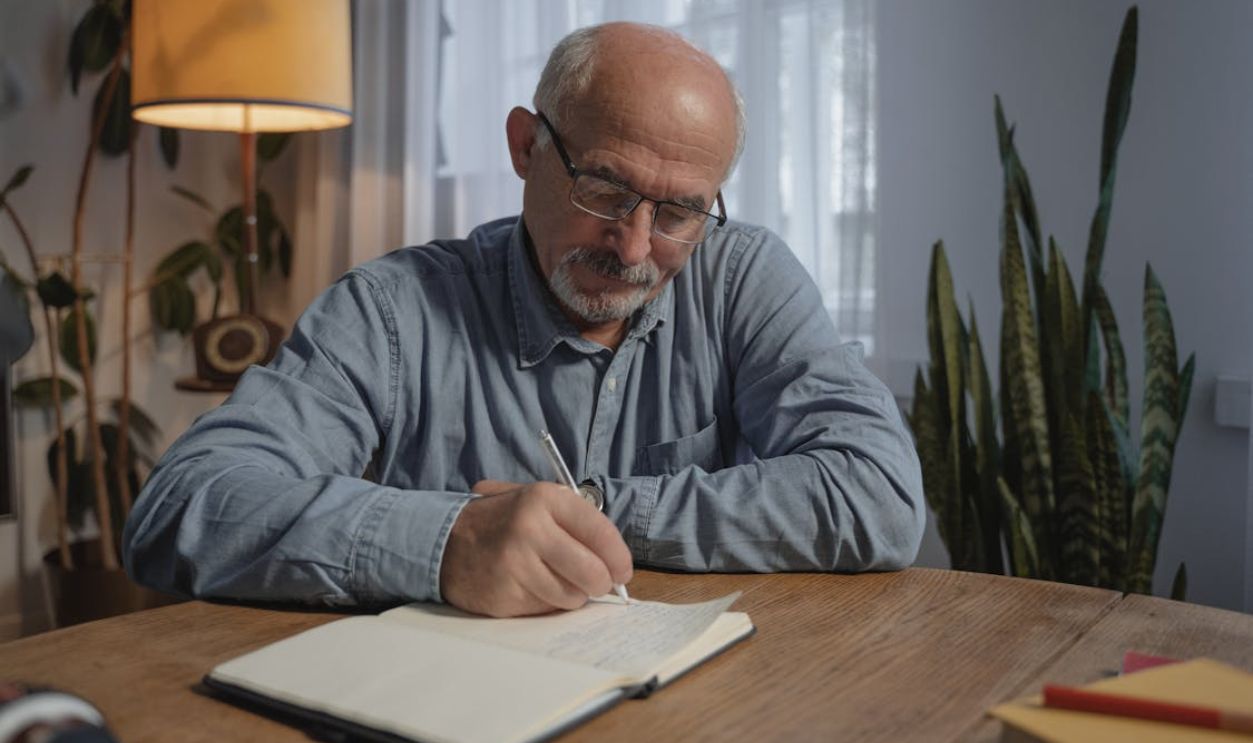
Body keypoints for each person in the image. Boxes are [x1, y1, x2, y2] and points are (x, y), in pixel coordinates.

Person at [123, 22, 925, 618]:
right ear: (524, 145)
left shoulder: (739, 273)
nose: (635, 245)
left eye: (679, 209)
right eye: (604, 190)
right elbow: (183, 507)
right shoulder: (391, 310)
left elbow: (880, 496)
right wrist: (448, 541)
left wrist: (598, 511)